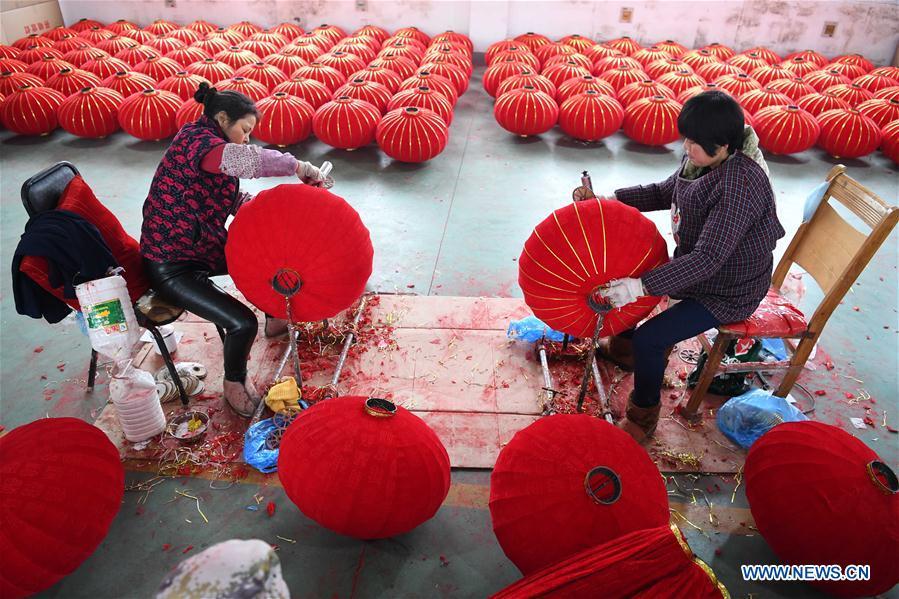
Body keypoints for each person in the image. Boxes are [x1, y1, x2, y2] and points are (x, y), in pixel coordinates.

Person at [596, 91, 785, 442]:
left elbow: (709, 259)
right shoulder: (703, 160)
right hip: (699, 266)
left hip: (729, 288)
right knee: (638, 274)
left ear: (725, 145)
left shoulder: (739, 185)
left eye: (695, 142)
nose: (686, 147)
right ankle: (625, 350)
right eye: (687, 138)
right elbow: (665, 191)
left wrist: (639, 285)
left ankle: (643, 415)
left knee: (651, 336)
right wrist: (612, 199)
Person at [140, 82, 328, 417]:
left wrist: (268, 209)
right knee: (241, 324)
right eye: (245, 129)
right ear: (222, 118)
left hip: (200, 245)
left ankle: (275, 319)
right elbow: (246, 161)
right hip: (172, 263)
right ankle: (234, 384)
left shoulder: (211, 147)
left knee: (267, 259)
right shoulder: (197, 142)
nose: (247, 138)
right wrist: (297, 166)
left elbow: (224, 197)